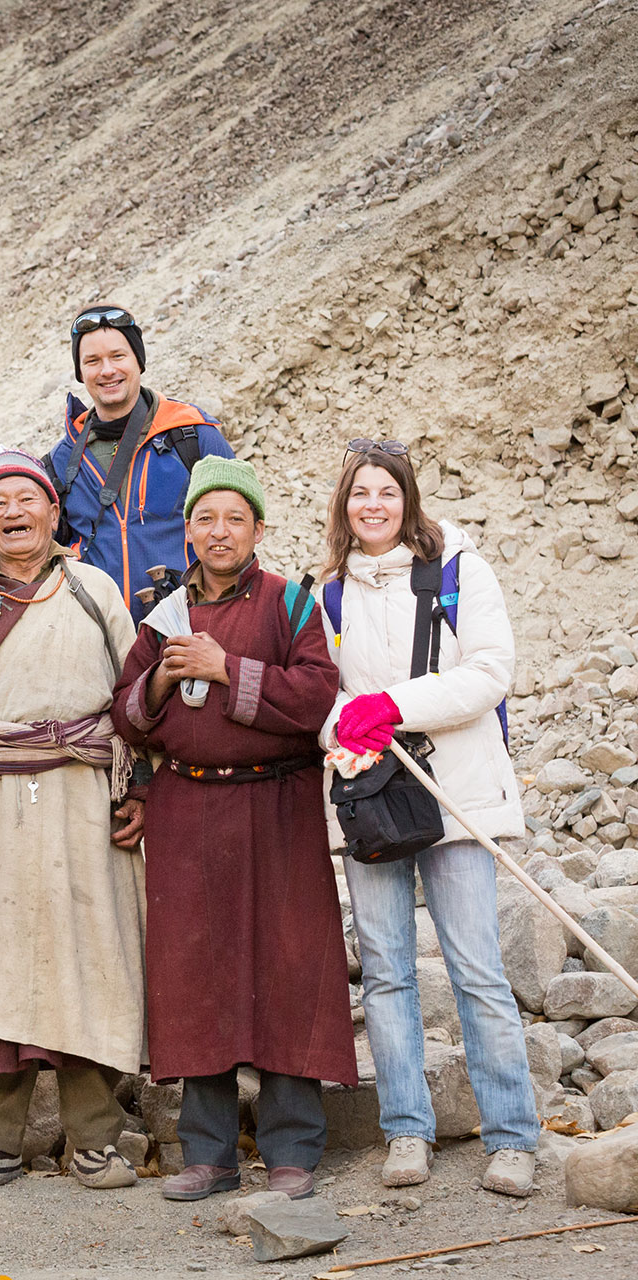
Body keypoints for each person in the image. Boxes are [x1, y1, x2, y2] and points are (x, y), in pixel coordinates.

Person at [110, 457, 354, 1202]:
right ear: (187, 530)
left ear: (257, 530)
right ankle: (208, 1156)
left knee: (288, 968)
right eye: (206, 519)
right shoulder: (161, 613)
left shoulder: (291, 604)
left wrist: (226, 669)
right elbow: (123, 711)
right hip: (187, 812)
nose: (219, 532)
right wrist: (156, 681)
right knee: (196, 975)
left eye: (234, 519)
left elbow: (318, 698)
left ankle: (291, 1152)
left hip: (278, 807)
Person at [0, 448, 146, 1192]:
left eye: (26, 499)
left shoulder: (94, 588)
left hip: (83, 795)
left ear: (52, 511)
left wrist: (138, 789)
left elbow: (133, 692)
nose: (13, 513)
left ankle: (98, 1141)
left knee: (91, 958)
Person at [318, 440, 539, 1198]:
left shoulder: (457, 573)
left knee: (477, 969)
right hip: (374, 799)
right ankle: (405, 1130)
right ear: (343, 507)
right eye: (359, 494)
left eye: (387, 492)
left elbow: (488, 671)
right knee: (386, 972)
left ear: (408, 501)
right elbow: (323, 701)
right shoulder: (331, 596)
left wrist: (394, 706)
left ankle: (513, 1136)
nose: (373, 505)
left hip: (457, 795)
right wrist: (344, 728)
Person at [45, 304, 234, 621]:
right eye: (92, 361)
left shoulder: (193, 438)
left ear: (138, 361)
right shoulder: (60, 462)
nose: (107, 370)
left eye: (118, 356)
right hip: (98, 641)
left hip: (193, 628)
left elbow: (239, 534)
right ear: (81, 372)